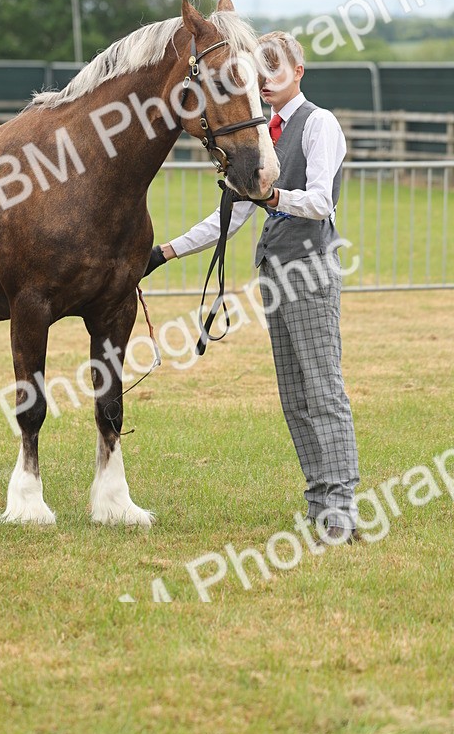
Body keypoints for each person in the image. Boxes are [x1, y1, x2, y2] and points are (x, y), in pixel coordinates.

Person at [147, 31, 360, 542]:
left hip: (309, 271)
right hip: (275, 275)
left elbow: (320, 202)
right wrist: (164, 252)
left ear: (298, 72)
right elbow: (233, 213)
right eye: (259, 71)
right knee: (294, 394)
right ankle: (318, 500)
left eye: (275, 69)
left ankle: (341, 509)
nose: (266, 80)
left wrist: (273, 196)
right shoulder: (262, 131)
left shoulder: (319, 124)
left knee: (322, 389)